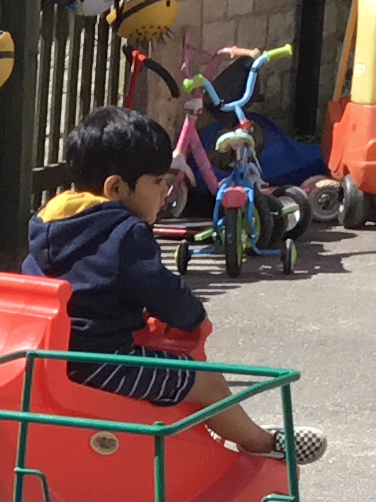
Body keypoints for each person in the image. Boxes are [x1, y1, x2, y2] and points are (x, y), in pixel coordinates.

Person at [24, 105, 324, 465]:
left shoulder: (50, 226)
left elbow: (93, 284)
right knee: (206, 380)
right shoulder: (122, 233)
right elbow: (159, 287)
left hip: (51, 355)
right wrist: (193, 316)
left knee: (167, 366)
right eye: (157, 181)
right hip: (101, 361)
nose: (166, 191)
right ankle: (263, 445)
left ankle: (205, 435)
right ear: (117, 188)